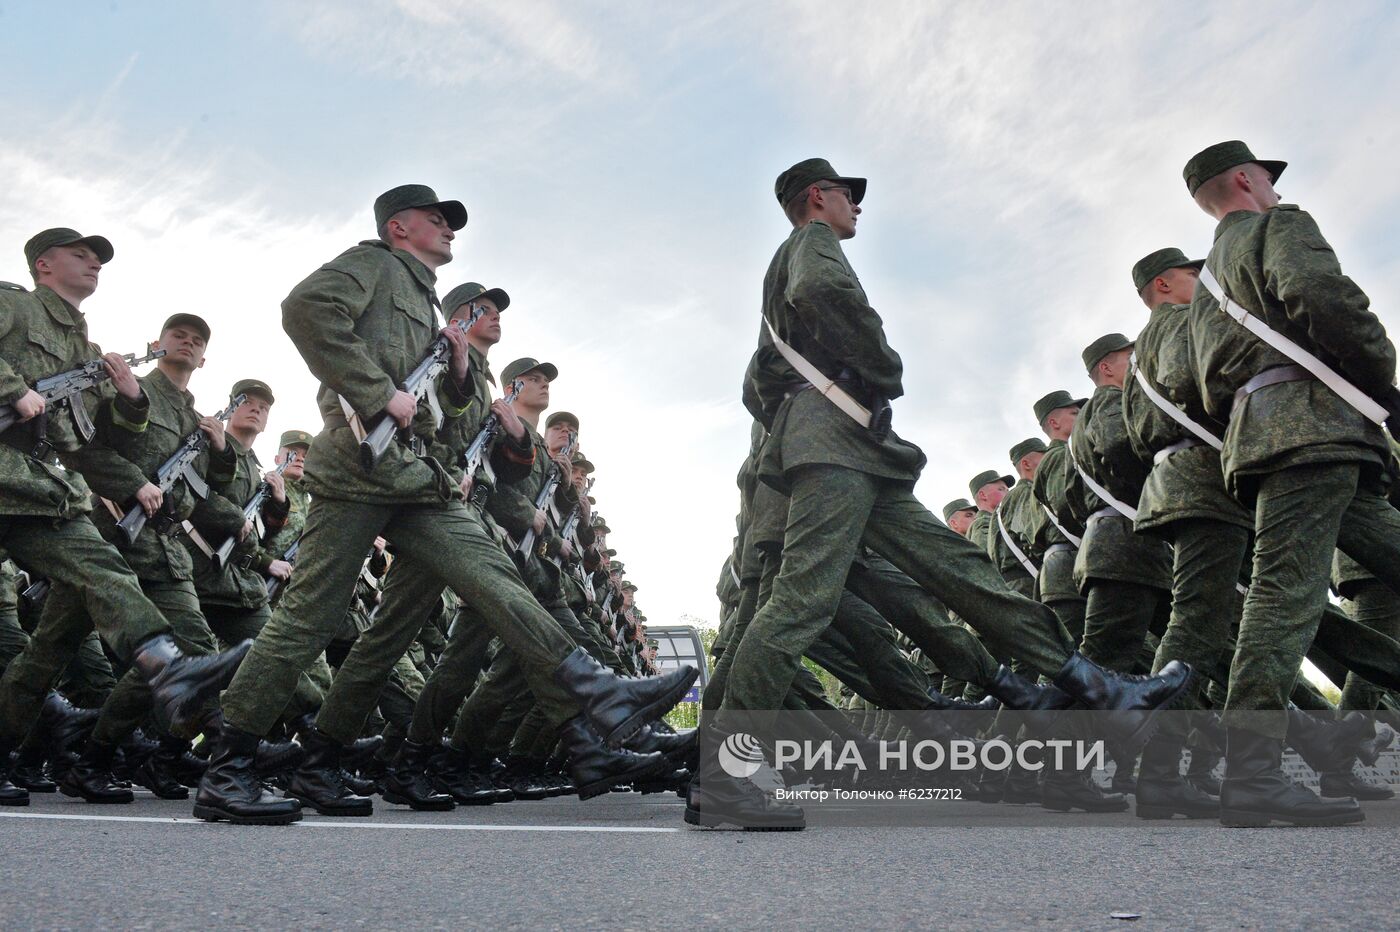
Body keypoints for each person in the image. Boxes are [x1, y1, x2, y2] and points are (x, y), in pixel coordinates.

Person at [689, 158, 1190, 831]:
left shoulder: (796, 259)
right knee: (800, 603)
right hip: (833, 448)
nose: (856, 207)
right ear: (818, 197)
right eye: (848, 195)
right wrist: (880, 367)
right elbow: (822, 297)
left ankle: (1092, 687)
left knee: (962, 571)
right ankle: (727, 774)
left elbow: (757, 384)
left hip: (853, 451)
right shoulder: (812, 246)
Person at [194, 185, 694, 825]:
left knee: (495, 580)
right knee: (308, 620)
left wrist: (459, 375)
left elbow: (446, 417)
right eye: (436, 219)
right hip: (358, 471)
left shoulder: (424, 301)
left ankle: (596, 694)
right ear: (399, 227)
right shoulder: (372, 265)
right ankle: (228, 765)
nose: (449, 228)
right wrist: (376, 392)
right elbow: (304, 309)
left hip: (416, 478)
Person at [1182, 140, 1400, 826]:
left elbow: (1203, 389)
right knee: (1283, 596)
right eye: (1266, 181)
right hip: (1314, 428)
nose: (1273, 190)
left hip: (1266, 436)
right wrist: (1380, 375)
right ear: (1248, 180)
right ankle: (1250, 775)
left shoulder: (1206, 285)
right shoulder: (1282, 224)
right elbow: (1322, 296)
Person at [0, 229, 248, 806]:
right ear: (43, 264)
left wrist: (131, 400)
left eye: (98, 259)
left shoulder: (85, 351)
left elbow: (85, 441)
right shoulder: (12, 305)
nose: (93, 264)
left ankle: (168, 667)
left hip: (35, 486)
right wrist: (14, 388)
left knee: (101, 571)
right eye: (80, 255)